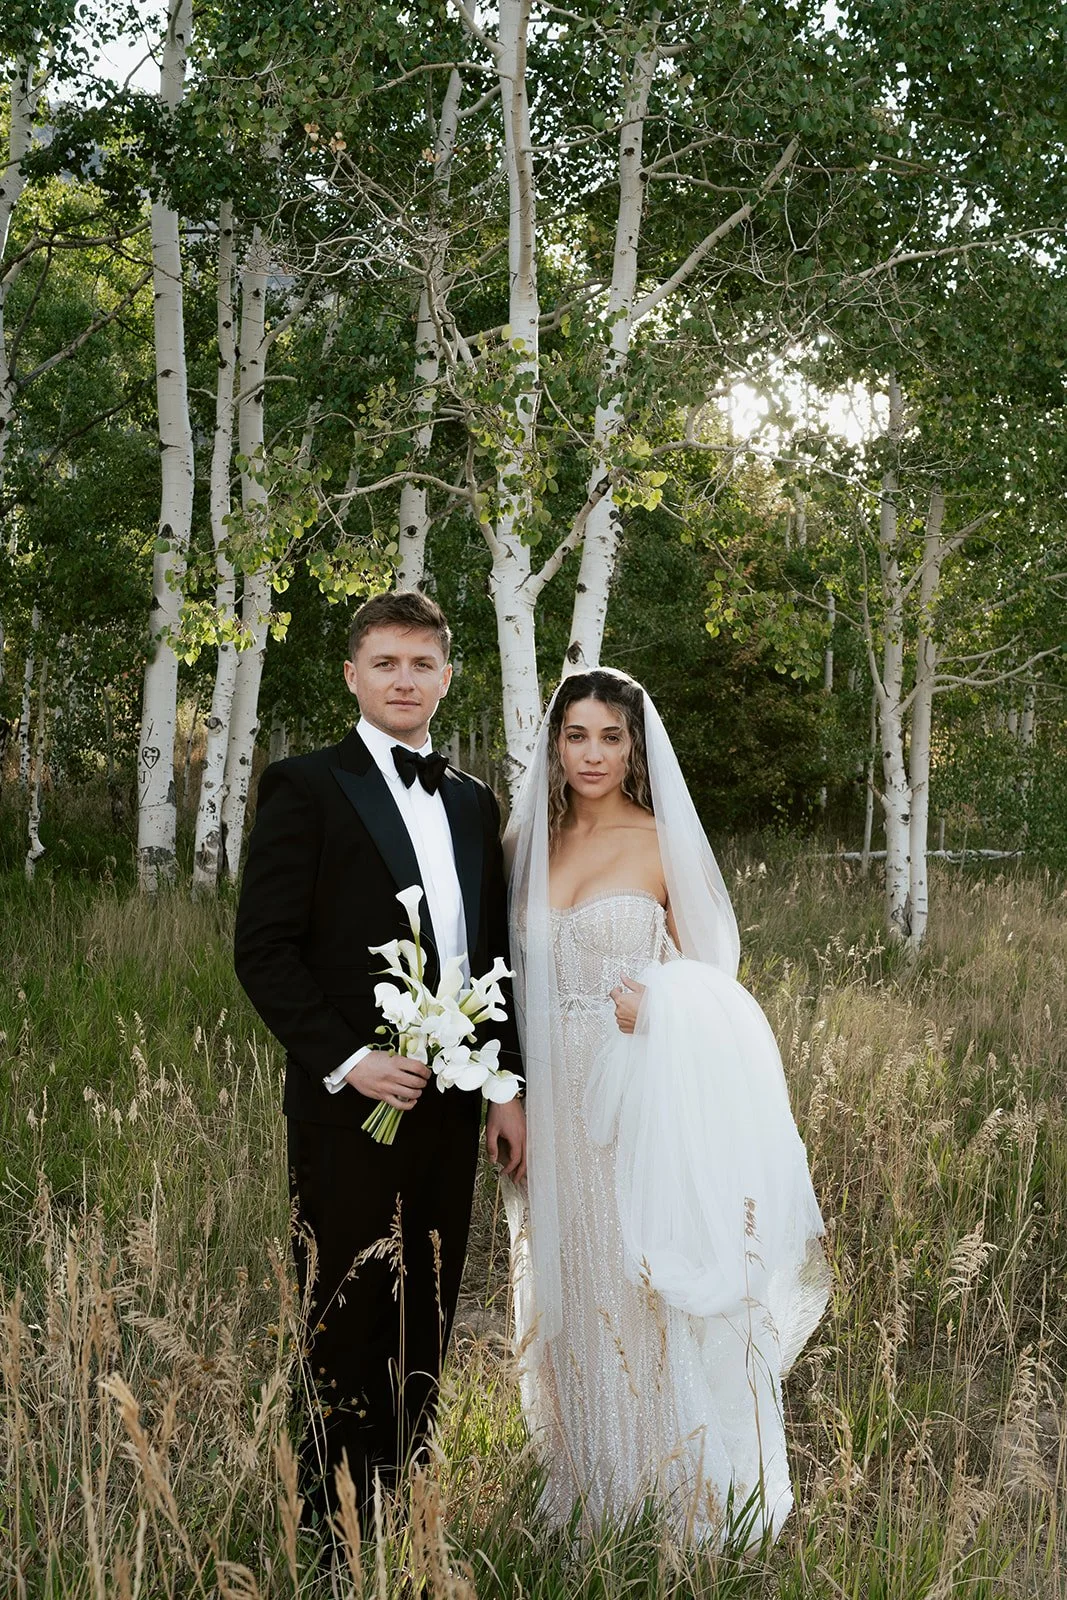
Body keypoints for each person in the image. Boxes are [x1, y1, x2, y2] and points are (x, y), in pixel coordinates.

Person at [504, 668, 828, 1543]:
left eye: (611, 738)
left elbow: (720, 989)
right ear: (554, 744)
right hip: (551, 1104)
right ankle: (592, 1483)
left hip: (635, 1092)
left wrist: (661, 1006)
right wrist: (509, 1099)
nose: (593, 754)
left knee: (642, 1277)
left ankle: (681, 1495)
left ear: (635, 748)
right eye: (576, 736)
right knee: (571, 1278)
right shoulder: (525, 843)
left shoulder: (658, 843)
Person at [234, 589, 525, 1527]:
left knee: (426, 1315)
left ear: (447, 677)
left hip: (450, 1104)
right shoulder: (305, 786)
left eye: (423, 663)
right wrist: (350, 1060)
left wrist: (503, 1089)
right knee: (343, 1313)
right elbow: (264, 950)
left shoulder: (476, 803)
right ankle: (327, 1531)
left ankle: (402, 1511)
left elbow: (494, 958)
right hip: (349, 1103)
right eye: (386, 663)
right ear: (353, 675)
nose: (406, 680)